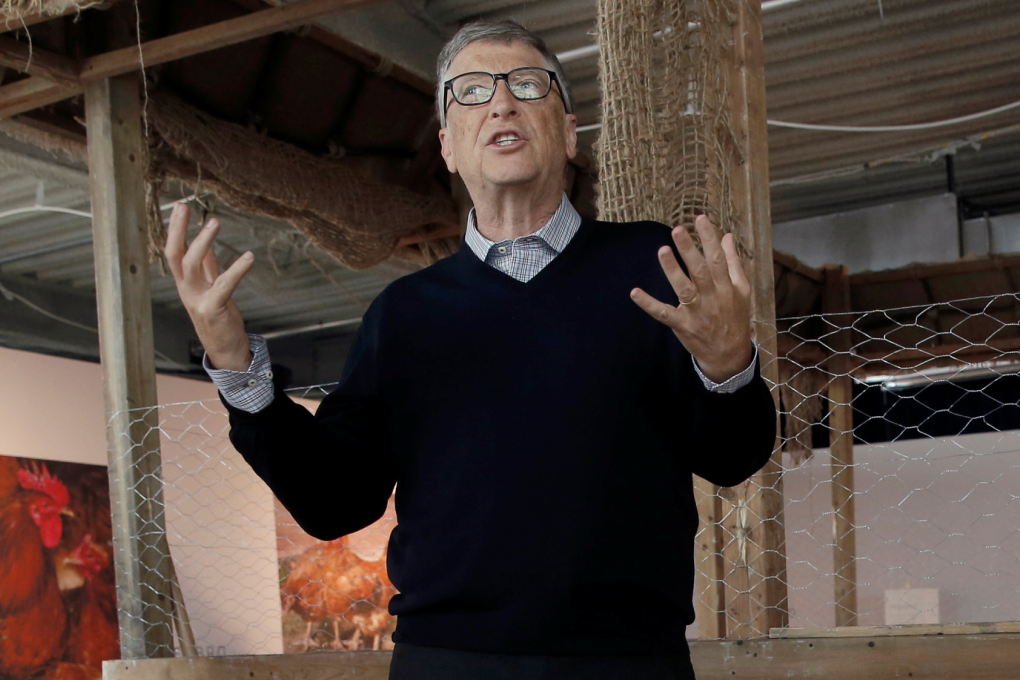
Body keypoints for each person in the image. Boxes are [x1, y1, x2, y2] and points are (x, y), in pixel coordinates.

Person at [165, 19, 776, 680]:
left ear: (569, 133)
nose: (502, 102)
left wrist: (727, 368)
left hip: (626, 661)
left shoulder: (657, 268)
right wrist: (235, 367)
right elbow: (334, 500)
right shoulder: (403, 315)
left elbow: (732, 456)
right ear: (448, 147)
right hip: (448, 664)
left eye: (527, 84)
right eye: (473, 91)